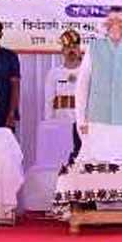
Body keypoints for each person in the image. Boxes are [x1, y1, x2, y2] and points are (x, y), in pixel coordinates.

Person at [74, 6, 122, 161]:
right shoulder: (94, 48)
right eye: (111, 20)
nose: (115, 25)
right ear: (105, 24)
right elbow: (82, 86)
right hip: (97, 121)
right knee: (96, 169)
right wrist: (81, 119)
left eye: (120, 21)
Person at [42, 29, 83, 161]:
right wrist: (49, 125)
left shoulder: (88, 72)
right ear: (62, 50)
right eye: (68, 47)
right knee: (60, 161)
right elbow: (48, 101)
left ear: (79, 49)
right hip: (61, 124)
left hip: (82, 127)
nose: (71, 50)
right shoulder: (54, 73)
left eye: (74, 47)